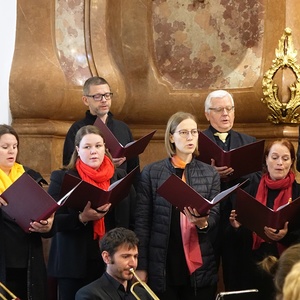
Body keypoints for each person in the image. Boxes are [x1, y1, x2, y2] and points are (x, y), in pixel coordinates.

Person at [135, 111, 220, 300]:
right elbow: (142, 222)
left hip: (198, 263)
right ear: (171, 137)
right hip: (163, 261)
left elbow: (215, 216)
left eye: (194, 132)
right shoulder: (152, 172)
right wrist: (141, 265)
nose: (190, 137)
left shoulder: (209, 173)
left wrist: (203, 223)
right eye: (183, 132)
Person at [47, 125, 136, 300]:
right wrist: (81, 218)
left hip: (111, 265)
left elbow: (133, 218)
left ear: (105, 148)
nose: (93, 151)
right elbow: (51, 222)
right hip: (74, 265)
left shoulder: (119, 177)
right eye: (87, 147)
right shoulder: (63, 178)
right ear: (77, 150)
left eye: (98, 146)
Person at [202, 89, 260, 291]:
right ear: (208, 114)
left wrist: (238, 173)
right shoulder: (198, 142)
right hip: (208, 222)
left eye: (229, 109)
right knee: (206, 281)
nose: (225, 114)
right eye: (219, 109)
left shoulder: (249, 142)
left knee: (238, 279)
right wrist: (212, 174)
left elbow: (259, 178)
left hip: (239, 222)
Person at [230, 139, 300, 300]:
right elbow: (233, 242)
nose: (279, 163)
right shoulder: (249, 190)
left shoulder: (298, 193)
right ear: (266, 160)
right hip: (253, 269)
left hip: (289, 270)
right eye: (274, 157)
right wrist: (236, 226)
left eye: (285, 158)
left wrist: (285, 236)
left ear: (292, 162)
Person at [0, 124, 54, 300]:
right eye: (5, 147)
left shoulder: (28, 176)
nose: (11, 151)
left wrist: (47, 224)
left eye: (15, 146)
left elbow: (46, 216)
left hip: (29, 259)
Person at [63, 76, 139, 176]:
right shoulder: (77, 129)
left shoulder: (122, 128)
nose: (104, 100)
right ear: (86, 100)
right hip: (89, 187)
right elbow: (69, 166)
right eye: (97, 96)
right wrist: (104, 161)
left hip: (120, 185)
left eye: (107, 95)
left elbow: (134, 168)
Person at [75, 227, 153, 300]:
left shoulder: (144, 294)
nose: (133, 263)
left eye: (135, 256)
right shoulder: (89, 294)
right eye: (125, 256)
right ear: (106, 257)